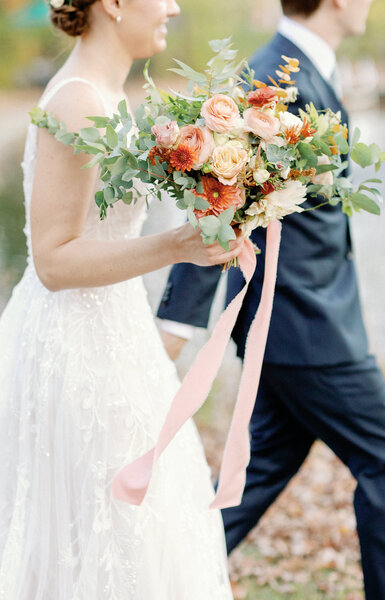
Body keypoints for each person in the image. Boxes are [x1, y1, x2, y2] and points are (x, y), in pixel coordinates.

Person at [0, 0, 245, 597]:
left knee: (138, 518)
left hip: (117, 327)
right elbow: (54, 261)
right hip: (75, 344)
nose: (173, 7)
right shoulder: (77, 101)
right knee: (97, 520)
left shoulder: (111, 97)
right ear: (112, 4)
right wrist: (175, 245)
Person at [157, 0, 385, 598]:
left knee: (260, 467)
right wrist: (175, 330)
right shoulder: (272, 81)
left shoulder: (304, 67)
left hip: (303, 320)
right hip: (304, 327)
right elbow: (216, 205)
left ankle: (157, 573)